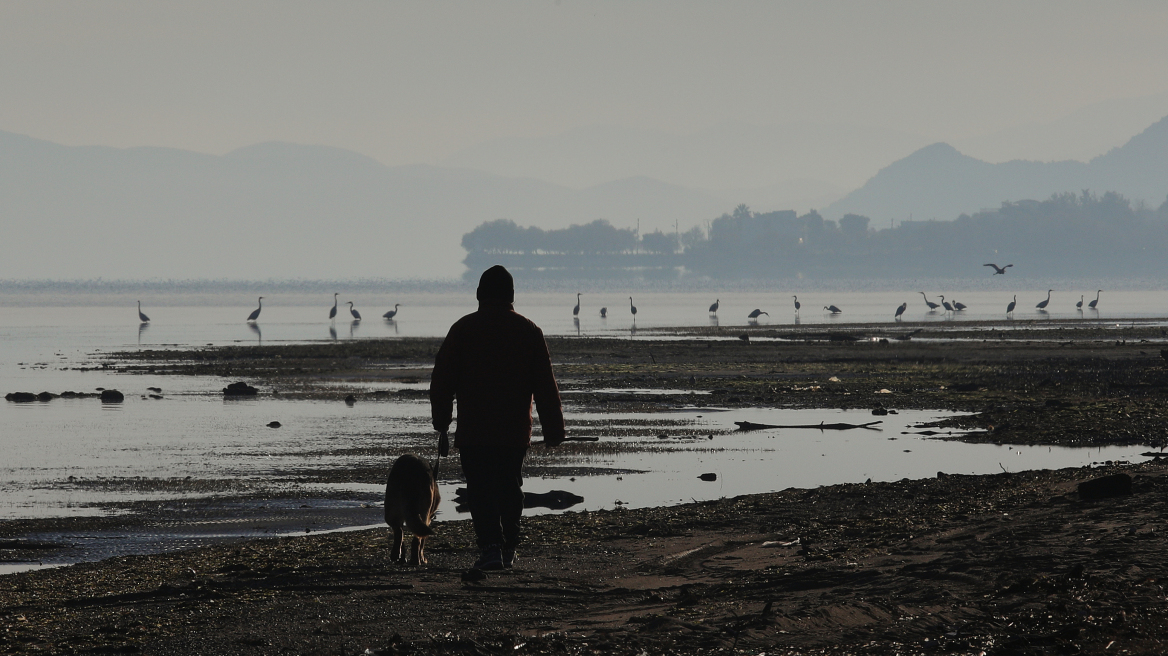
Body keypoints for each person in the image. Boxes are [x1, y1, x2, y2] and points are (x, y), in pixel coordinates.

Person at [430, 265, 566, 570]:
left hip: (475, 429)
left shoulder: (463, 329)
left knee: (479, 488)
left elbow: (442, 381)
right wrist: (554, 429)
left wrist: (441, 423)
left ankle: (491, 546)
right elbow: (545, 385)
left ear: (479, 294)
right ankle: (508, 547)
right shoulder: (529, 331)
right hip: (514, 430)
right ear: (512, 296)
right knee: (509, 485)